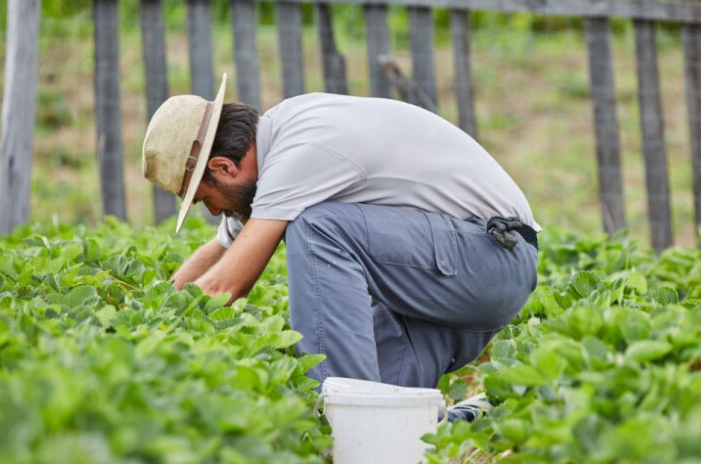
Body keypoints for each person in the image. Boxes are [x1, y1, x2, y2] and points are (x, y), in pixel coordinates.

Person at [142, 73, 540, 394]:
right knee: (384, 423)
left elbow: (224, 287)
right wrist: (153, 310)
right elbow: (221, 248)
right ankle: (463, 416)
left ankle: (340, 403)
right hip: (444, 278)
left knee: (316, 226)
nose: (213, 211)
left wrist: (145, 349)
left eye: (203, 198)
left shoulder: (300, 152)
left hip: (491, 258)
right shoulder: (276, 145)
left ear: (224, 167)